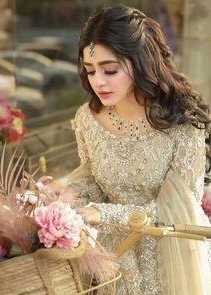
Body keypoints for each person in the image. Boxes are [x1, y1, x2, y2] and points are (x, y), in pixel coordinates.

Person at [67, 4, 211, 295]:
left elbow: (178, 215)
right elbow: (94, 181)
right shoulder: (88, 118)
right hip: (111, 265)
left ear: (140, 62)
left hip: (169, 262)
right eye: (90, 70)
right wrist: (65, 198)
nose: (98, 82)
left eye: (110, 70)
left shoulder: (182, 125)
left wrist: (104, 214)